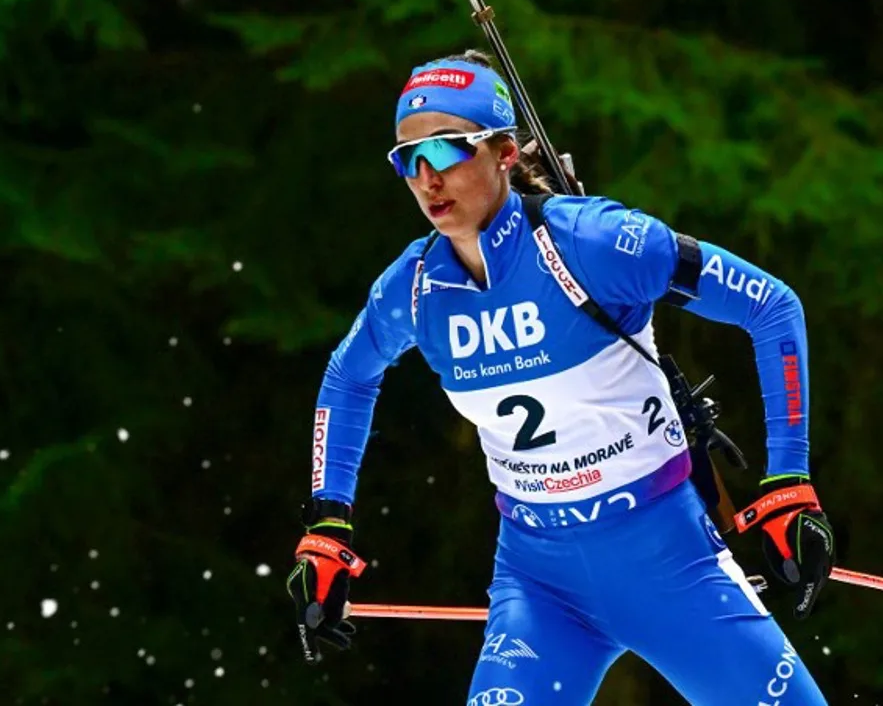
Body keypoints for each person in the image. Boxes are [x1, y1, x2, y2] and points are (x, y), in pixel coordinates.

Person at [287, 49, 835, 705]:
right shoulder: (414, 290)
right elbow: (348, 378)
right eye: (408, 159)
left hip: (669, 563)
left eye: (448, 151)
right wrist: (328, 527)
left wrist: (789, 485)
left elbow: (771, 306)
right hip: (538, 586)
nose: (427, 178)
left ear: (505, 154)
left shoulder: (592, 245)